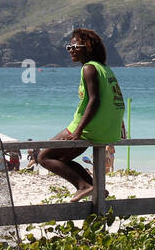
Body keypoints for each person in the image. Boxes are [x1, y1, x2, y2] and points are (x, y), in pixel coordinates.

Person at [45, 28, 126, 202]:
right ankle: (96, 188)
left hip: (88, 127)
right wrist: (120, 124)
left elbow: (95, 100)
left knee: (44, 157)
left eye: (75, 46)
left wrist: (78, 130)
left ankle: (84, 186)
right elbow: (115, 99)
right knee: (63, 159)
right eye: (69, 47)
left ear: (87, 47)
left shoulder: (88, 68)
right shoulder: (105, 69)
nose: (71, 50)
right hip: (106, 130)